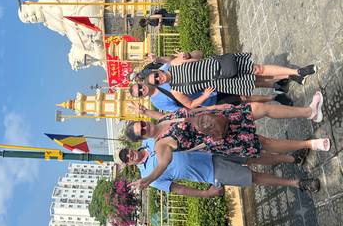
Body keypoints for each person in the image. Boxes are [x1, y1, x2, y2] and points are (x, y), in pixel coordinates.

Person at [125, 96, 328, 190]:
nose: (145, 128)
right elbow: (163, 164)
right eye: (142, 132)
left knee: (260, 108)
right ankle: (311, 144)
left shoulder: (161, 120)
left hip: (220, 116)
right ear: (143, 139)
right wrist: (148, 179)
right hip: (221, 138)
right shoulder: (161, 145)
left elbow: (191, 112)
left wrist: (219, 106)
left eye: (142, 125)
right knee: (263, 143)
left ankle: (309, 112)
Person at [117, 140, 320, 196]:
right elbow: (178, 188)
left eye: (127, 151)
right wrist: (206, 194)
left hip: (211, 149)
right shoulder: (147, 178)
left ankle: (291, 159)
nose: (130, 155)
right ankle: (297, 183)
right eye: (127, 158)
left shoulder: (150, 142)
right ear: (128, 163)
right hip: (210, 172)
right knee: (253, 177)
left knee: (253, 155)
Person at [143, 53, 316, 108]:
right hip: (221, 83)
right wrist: (204, 96)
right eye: (157, 81)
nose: (159, 78)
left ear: (159, 70)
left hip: (220, 64)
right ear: (160, 84)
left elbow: (198, 55)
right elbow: (189, 105)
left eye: (157, 75)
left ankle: (297, 71)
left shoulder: (174, 63)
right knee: (253, 82)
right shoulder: (175, 90)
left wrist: (188, 55)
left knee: (258, 69)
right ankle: (287, 79)